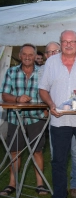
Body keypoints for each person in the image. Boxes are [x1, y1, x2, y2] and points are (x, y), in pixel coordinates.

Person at [39, 30, 76, 198]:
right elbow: (43, 89)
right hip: (59, 121)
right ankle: (59, 195)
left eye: (72, 41)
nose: (68, 44)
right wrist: (50, 104)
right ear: (60, 43)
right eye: (65, 41)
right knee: (58, 162)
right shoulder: (51, 62)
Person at [0, 44, 48, 196]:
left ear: (35, 56)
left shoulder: (42, 72)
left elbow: (49, 92)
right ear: (20, 56)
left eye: (31, 54)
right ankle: (12, 184)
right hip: (16, 118)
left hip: (37, 117)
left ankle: (40, 184)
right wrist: (17, 99)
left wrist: (47, 108)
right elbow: (4, 95)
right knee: (15, 152)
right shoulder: (11, 71)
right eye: (24, 54)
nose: (28, 57)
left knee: (37, 151)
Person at [41, 41, 76, 198]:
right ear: (45, 55)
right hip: (57, 120)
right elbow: (40, 93)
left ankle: (74, 185)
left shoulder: (75, 66)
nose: (52, 54)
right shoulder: (43, 72)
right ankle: (60, 188)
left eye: (55, 51)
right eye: (49, 52)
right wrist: (50, 105)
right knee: (57, 157)